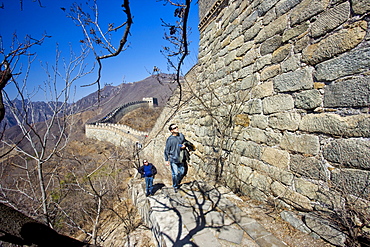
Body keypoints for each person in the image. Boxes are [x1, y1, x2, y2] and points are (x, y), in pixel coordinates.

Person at [164, 123, 187, 193]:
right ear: (171, 131)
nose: (176, 128)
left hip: (181, 159)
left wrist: (184, 145)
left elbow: (185, 142)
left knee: (182, 172)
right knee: (175, 174)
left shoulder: (181, 136)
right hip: (173, 159)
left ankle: (177, 181)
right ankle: (175, 186)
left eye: (176, 127)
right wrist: (166, 160)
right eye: (174, 128)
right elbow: (166, 150)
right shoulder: (170, 140)